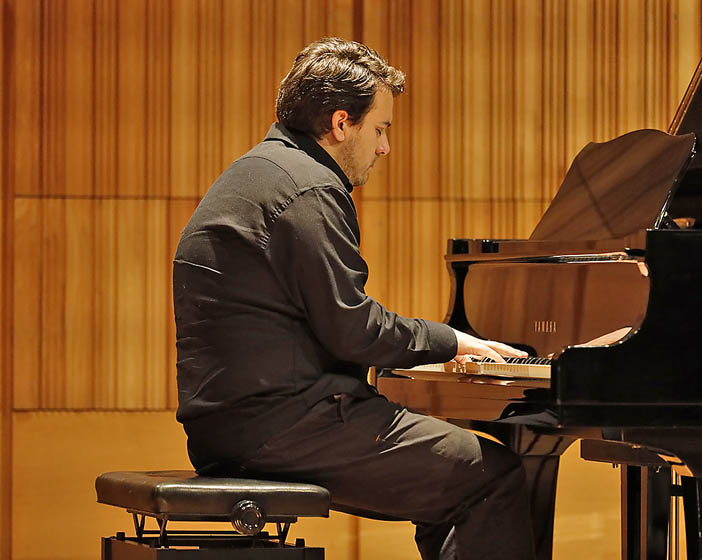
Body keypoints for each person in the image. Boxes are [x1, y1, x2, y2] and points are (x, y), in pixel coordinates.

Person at [173, 37, 535, 560]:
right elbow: (354, 329)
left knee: (452, 485)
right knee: (491, 476)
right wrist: (451, 341)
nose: (385, 147)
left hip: (231, 426)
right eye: (381, 128)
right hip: (284, 426)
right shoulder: (310, 189)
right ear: (342, 124)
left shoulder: (260, 173)